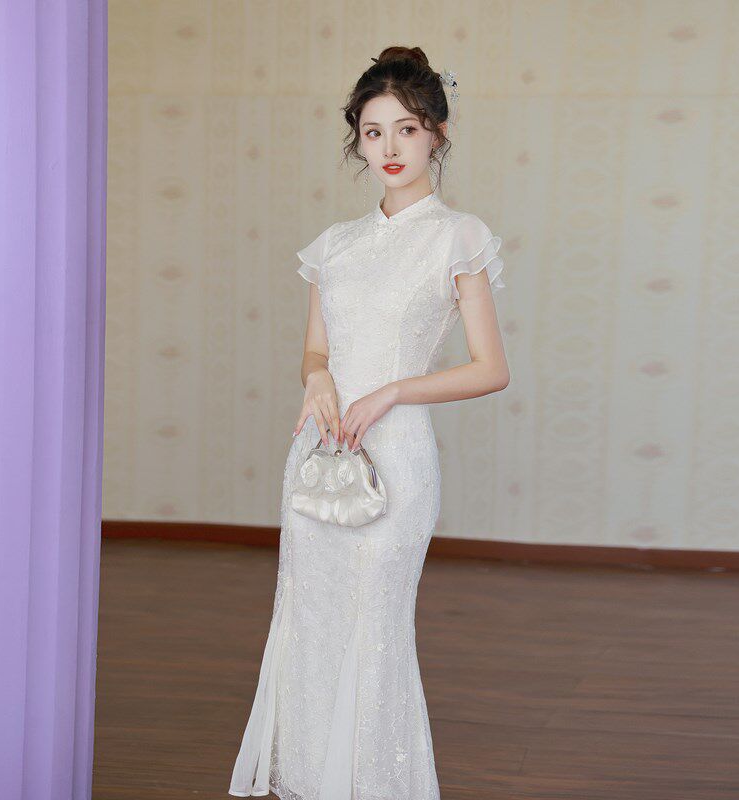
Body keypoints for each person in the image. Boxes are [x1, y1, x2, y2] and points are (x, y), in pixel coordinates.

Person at [229, 45, 510, 800]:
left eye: (407, 129)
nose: (390, 147)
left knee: (375, 628)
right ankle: (312, 781)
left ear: (438, 134)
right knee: (312, 622)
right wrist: (318, 377)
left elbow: (491, 368)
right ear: (356, 138)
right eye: (374, 131)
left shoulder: (458, 236)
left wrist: (392, 393)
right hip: (319, 453)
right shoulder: (335, 245)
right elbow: (316, 349)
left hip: (397, 457)